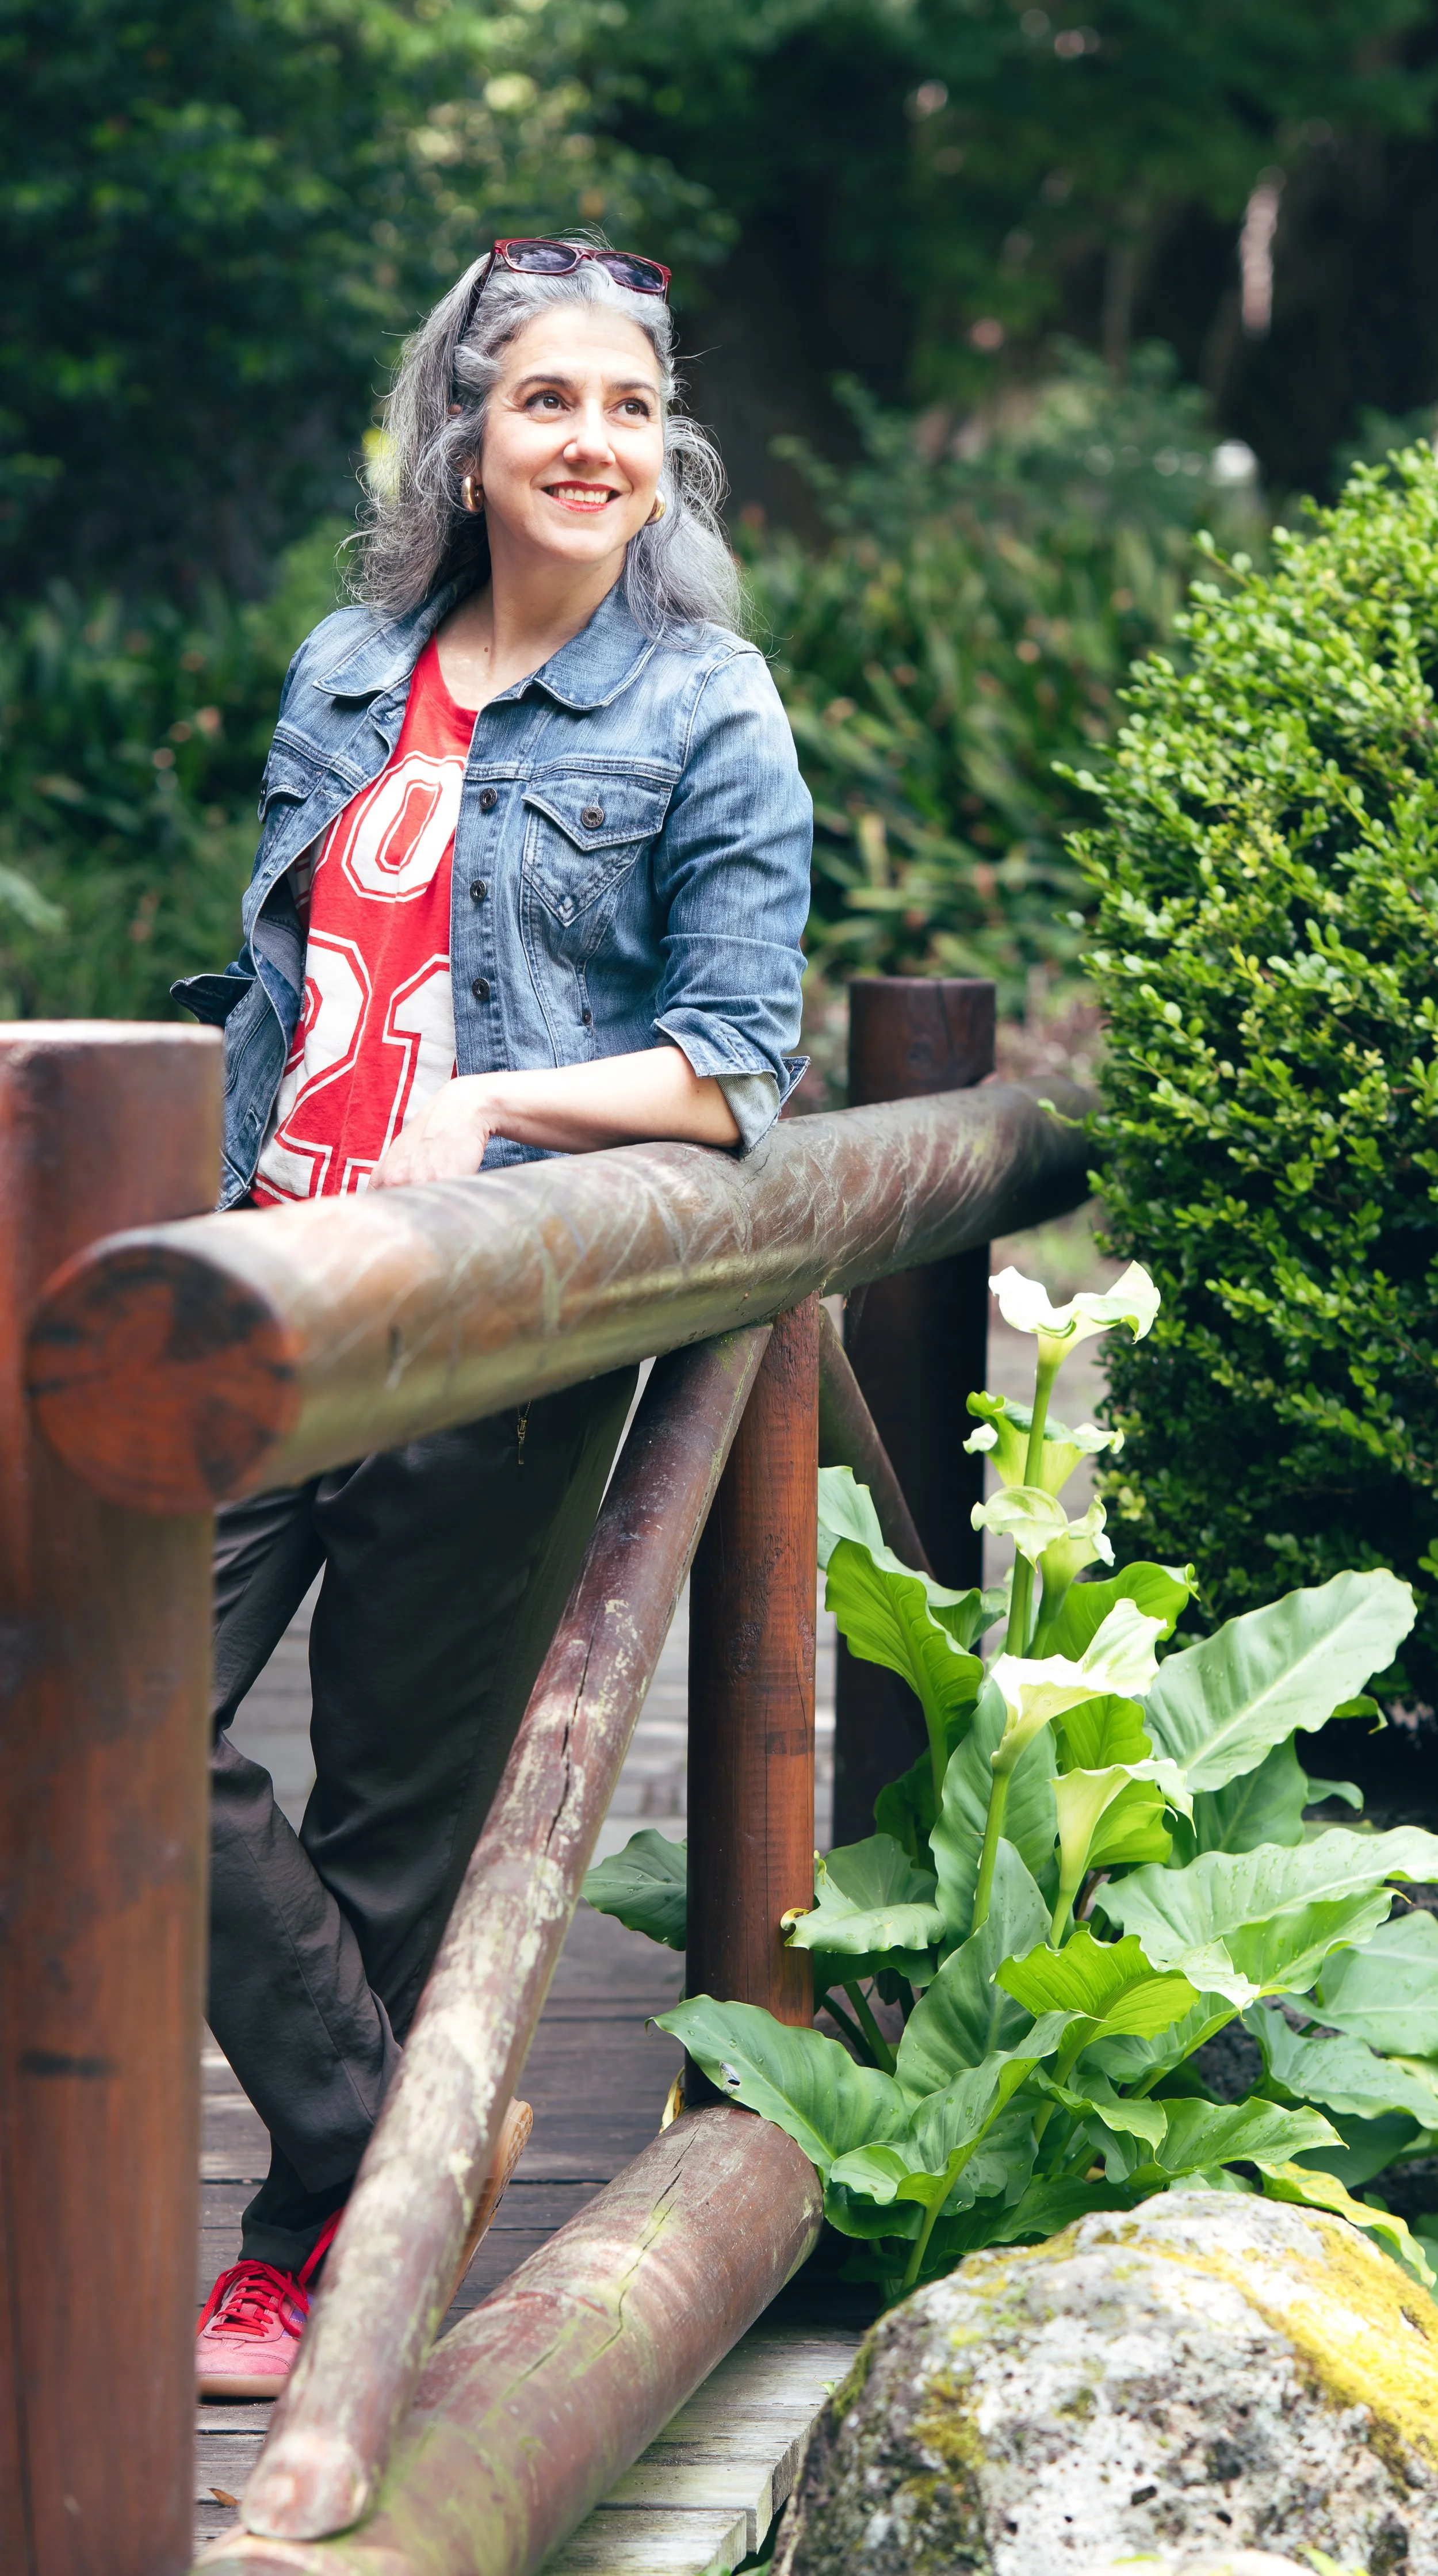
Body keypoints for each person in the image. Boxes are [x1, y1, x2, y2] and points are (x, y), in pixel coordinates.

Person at [181, 235, 813, 2397]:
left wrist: (490, 1097)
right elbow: (277, 998)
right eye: (547, 402)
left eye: (631, 410)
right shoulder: (345, 671)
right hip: (272, 1283)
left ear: (667, 452)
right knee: (77, 1689)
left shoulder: (704, 706)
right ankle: (391, 2137)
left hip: (495, 1324)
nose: (594, 444)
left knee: (383, 1815)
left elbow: (739, 1064)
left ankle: (300, 2251)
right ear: (464, 440)